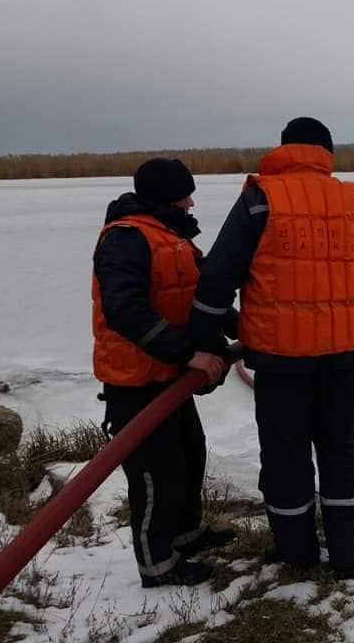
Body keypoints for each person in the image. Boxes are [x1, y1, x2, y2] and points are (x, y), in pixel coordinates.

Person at [188, 118, 354, 579]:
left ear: (285, 148)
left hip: (280, 359)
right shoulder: (353, 202)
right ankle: (349, 555)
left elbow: (218, 275)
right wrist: (343, 324)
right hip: (343, 357)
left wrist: (204, 340)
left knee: (286, 454)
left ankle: (297, 553)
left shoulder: (261, 198)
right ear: (327, 152)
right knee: (342, 449)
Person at [92, 157, 235, 588]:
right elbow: (124, 309)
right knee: (156, 474)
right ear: (164, 198)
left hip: (167, 375)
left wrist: (242, 327)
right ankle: (157, 562)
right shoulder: (125, 240)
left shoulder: (171, 237)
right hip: (135, 382)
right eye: (184, 195)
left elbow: (199, 292)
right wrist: (187, 354)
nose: (191, 203)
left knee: (190, 453)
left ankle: (186, 534)